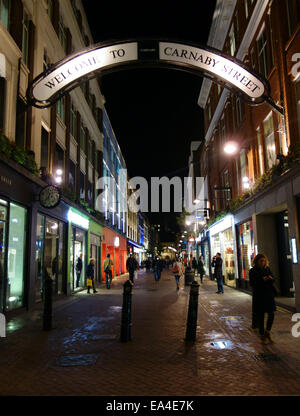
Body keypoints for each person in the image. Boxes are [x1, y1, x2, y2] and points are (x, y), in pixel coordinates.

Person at [249, 253, 277, 344]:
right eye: (261, 261)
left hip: (269, 295)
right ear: (256, 261)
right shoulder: (253, 271)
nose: (263, 262)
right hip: (259, 296)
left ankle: (267, 332)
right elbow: (252, 283)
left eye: (264, 260)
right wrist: (262, 280)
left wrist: (270, 278)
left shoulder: (267, 269)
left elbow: (273, 278)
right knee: (261, 316)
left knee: (271, 314)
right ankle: (262, 336)